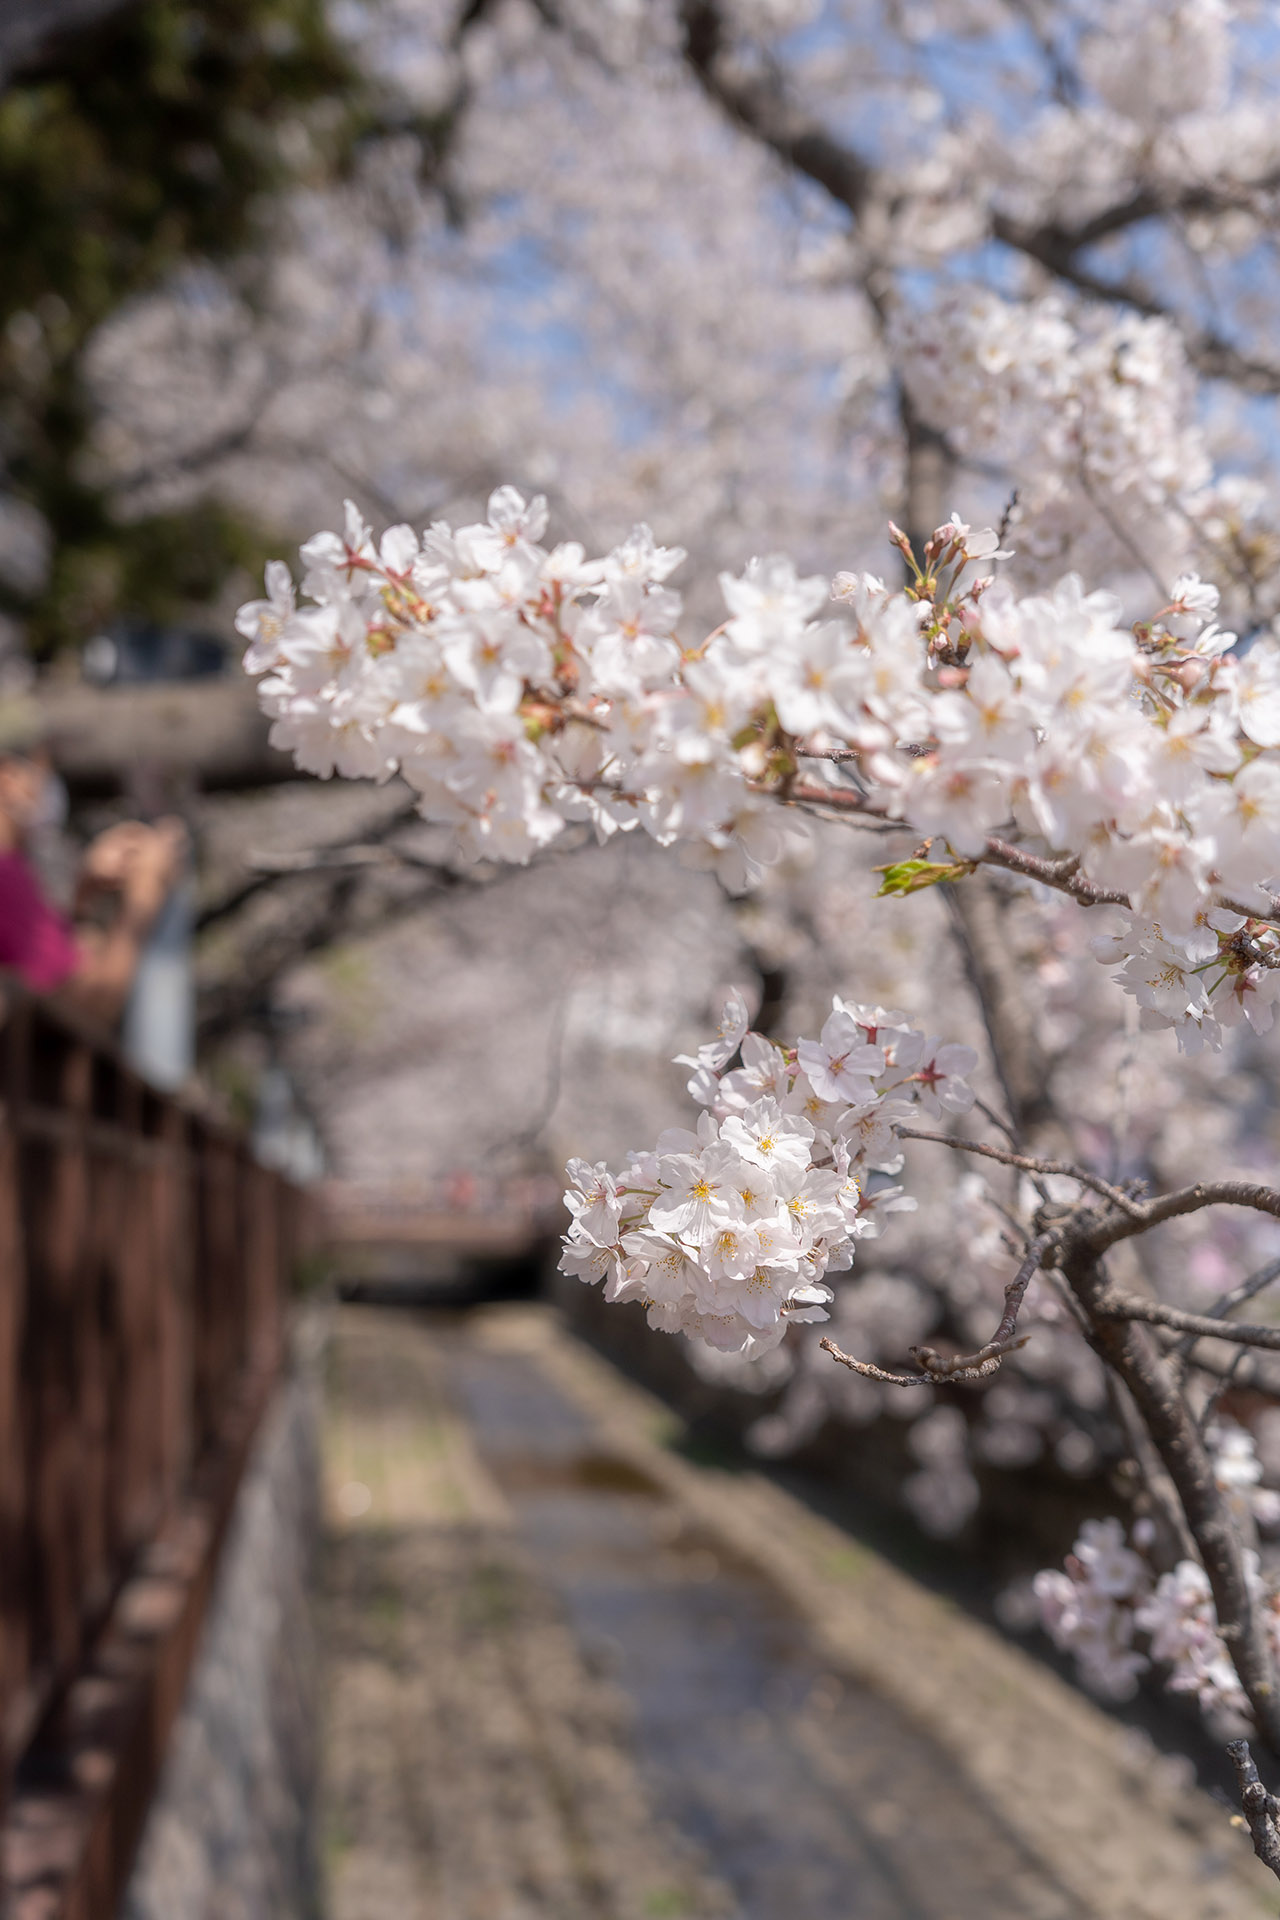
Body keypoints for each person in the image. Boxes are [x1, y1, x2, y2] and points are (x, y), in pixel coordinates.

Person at [0, 701, 186, 1026]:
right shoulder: (6, 875)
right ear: (9, 778)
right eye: (43, 773)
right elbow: (88, 1005)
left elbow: (59, 970)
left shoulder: (14, 869)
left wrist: (85, 890)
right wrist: (145, 890)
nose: (47, 791)